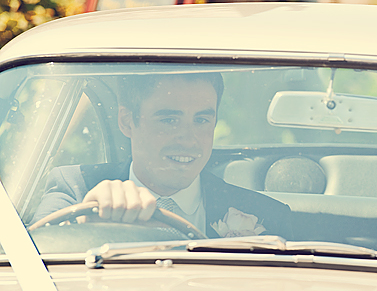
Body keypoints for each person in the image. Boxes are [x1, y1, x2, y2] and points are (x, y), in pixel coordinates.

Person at [31, 72, 294, 238]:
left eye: (201, 120)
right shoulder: (75, 188)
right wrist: (88, 226)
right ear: (127, 121)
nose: (189, 139)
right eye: (169, 120)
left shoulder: (266, 216)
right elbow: (31, 263)